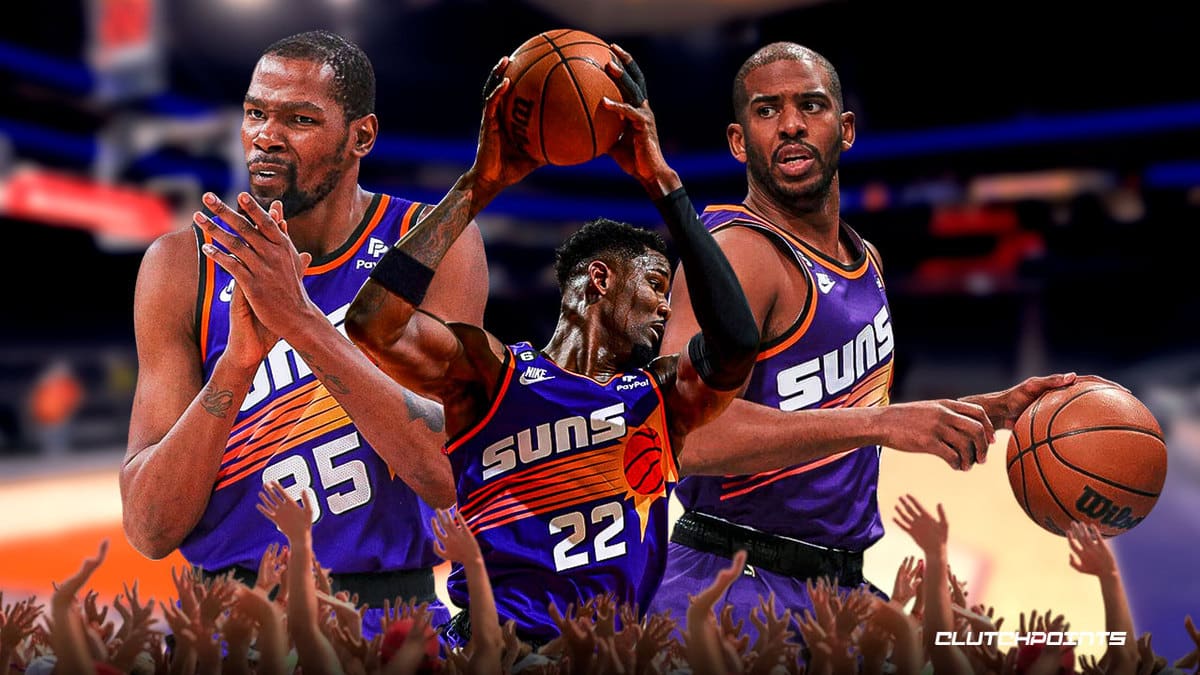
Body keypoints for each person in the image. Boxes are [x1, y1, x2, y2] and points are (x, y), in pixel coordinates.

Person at [645, 42, 1112, 641]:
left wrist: (990, 411)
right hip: (729, 580)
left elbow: (840, 407)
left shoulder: (865, 258)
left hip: (834, 583)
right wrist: (882, 424)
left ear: (844, 130)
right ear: (739, 142)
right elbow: (681, 436)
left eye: (809, 105)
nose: (790, 124)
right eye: (767, 111)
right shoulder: (738, 253)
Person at [340, 49, 759, 647]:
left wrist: (660, 180)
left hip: (607, 656)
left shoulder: (661, 397)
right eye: (657, 285)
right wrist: (477, 186)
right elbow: (371, 326)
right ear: (601, 279)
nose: (667, 308)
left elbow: (739, 344)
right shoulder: (492, 374)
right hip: (492, 648)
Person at [120, 29, 486, 636]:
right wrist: (237, 365)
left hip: (387, 615)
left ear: (361, 136)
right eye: (256, 112)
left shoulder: (431, 242)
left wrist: (301, 321)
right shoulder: (182, 264)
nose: (266, 135)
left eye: (299, 118)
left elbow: (445, 474)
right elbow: (151, 530)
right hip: (226, 623)